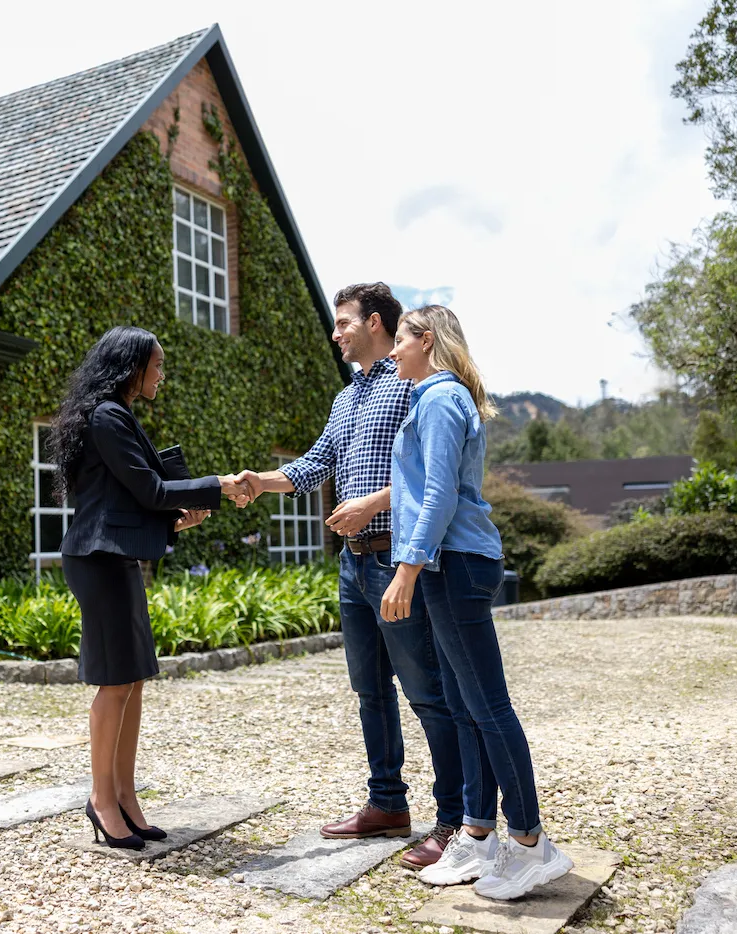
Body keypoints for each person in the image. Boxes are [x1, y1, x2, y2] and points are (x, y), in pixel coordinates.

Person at [232, 283, 465, 869]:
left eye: (343, 323)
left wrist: (369, 505)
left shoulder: (411, 381)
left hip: (395, 556)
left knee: (426, 693)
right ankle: (387, 803)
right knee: (370, 692)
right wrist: (263, 481)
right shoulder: (344, 401)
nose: (334, 333)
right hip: (352, 563)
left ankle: (455, 819)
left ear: (377, 323)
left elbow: (437, 472)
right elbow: (317, 466)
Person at [379, 305, 573, 899]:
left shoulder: (438, 398)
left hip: (453, 561)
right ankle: (481, 834)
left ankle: (531, 844)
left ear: (426, 341)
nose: (392, 351)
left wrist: (406, 567)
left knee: (487, 706)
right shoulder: (438, 397)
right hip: (453, 560)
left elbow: (438, 491)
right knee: (467, 706)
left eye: (401, 341)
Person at [51, 325, 250, 850]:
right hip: (97, 560)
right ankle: (100, 800)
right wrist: (219, 485)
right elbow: (150, 489)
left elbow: (128, 502)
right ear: (131, 366)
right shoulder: (107, 416)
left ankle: (125, 796)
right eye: (156, 365)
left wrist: (173, 523)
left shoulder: (116, 415)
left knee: (133, 679)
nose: (162, 374)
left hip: (114, 556)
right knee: (114, 683)